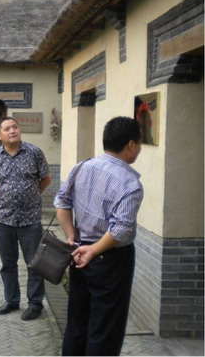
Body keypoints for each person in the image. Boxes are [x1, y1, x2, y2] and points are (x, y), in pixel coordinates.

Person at [54, 116, 143, 356]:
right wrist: (93, 250)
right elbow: (121, 229)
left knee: (77, 322)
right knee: (105, 328)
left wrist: (72, 238)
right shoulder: (130, 183)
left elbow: (61, 202)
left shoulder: (81, 166)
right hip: (109, 259)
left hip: (78, 253)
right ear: (131, 145)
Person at [0, 116, 51, 321]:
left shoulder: (34, 152)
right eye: (7, 129)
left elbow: (46, 178)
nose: (12, 131)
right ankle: (12, 300)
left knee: (34, 263)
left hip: (30, 220)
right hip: (4, 219)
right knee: (8, 264)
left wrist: (30, 195)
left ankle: (35, 304)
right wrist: (9, 197)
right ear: (0, 135)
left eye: (15, 127)